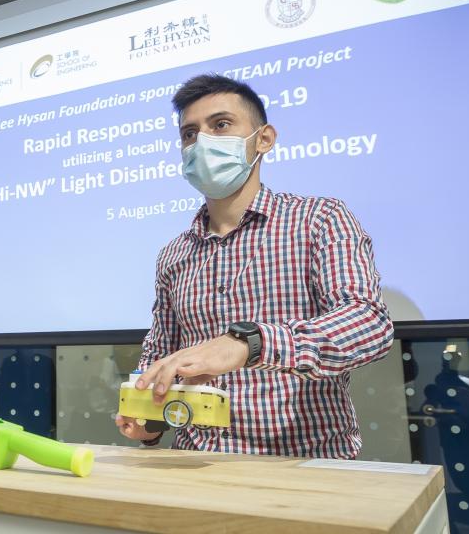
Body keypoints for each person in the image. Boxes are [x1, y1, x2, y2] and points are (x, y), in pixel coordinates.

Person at [116, 74, 393, 458]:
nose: (203, 143)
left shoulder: (320, 219)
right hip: (194, 462)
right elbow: (160, 352)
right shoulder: (174, 254)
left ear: (263, 139)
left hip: (305, 463)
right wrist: (148, 417)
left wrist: (251, 344)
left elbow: (368, 324)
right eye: (190, 134)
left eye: (221, 125)